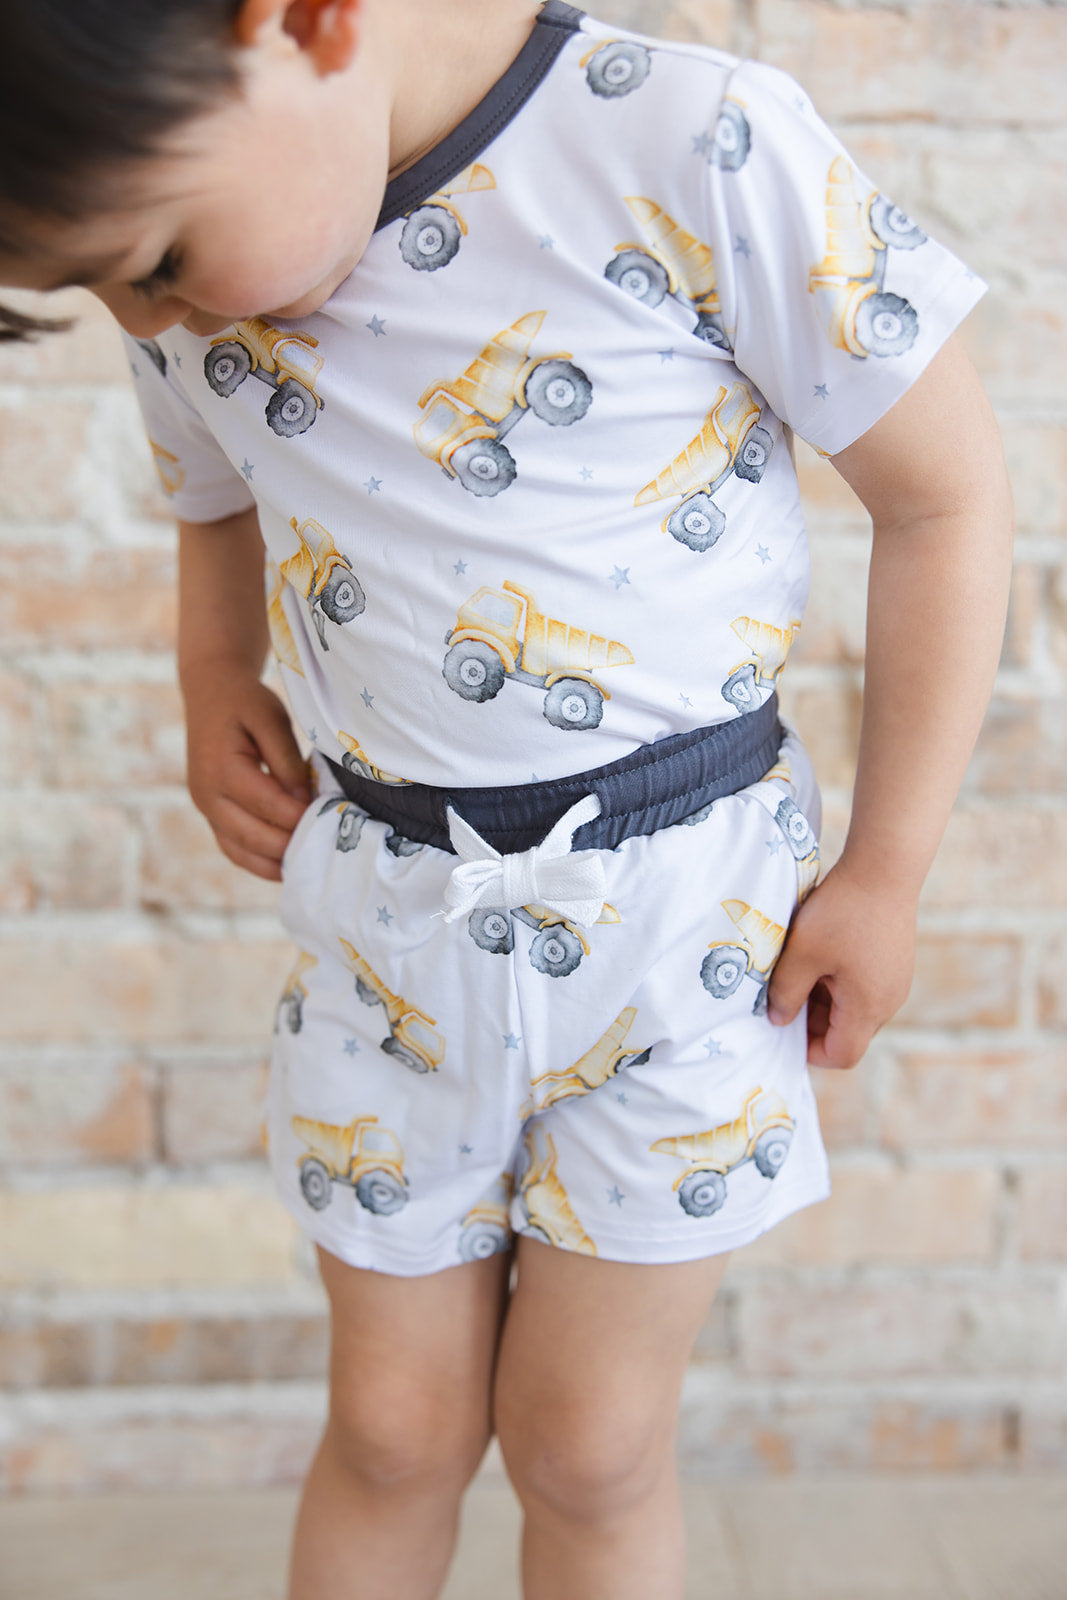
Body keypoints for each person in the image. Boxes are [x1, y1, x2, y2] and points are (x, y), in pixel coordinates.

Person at [0, 1, 1013, 1595]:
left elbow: (945, 497)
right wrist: (211, 672)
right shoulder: (190, 274)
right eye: (103, 288)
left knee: (586, 1445)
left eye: (162, 259)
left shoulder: (690, 140)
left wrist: (888, 870)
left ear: (302, 23)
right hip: (389, 933)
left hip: (687, 935)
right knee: (392, 1429)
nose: (148, 316)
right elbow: (211, 487)